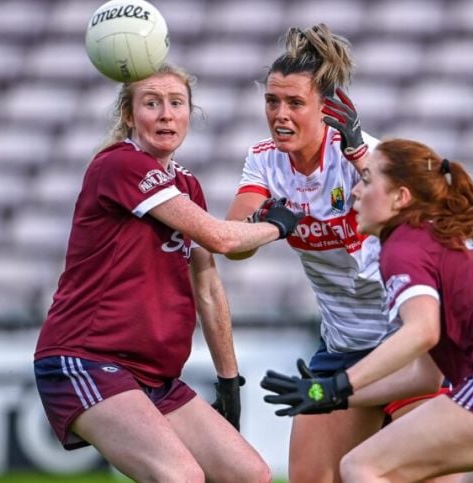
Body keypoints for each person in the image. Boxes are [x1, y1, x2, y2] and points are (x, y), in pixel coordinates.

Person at [259, 138, 473, 482]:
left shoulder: (403, 246)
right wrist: (330, 397)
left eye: (366, 181)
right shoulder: (440, 237)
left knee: (362, 467)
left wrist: (339, 383)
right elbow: (424, 378)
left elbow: (421, 331)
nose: (355, 192)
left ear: (401, 197)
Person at [34, 64, 302, 483]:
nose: (165, 114)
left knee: (249, 474)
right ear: (129, 116)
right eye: (151, 103)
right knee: (180, 477)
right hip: (87, 358)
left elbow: (208, 285)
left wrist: (229, 381)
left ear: (188, 115)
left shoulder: (185, 186)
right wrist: (280, 225)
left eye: (176, 103)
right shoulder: (120, 165)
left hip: (153, 375)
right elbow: (222, 239)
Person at [225, 24, 444, 482]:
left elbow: (422, 225)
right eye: (272, 101)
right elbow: (234, 241)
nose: (280, 114)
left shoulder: (366, 155)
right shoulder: (265, 160)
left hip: (403, 341)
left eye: (294, 103)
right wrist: (272, 226)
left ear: (326, 110)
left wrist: (361, 155)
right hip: (342, 344)